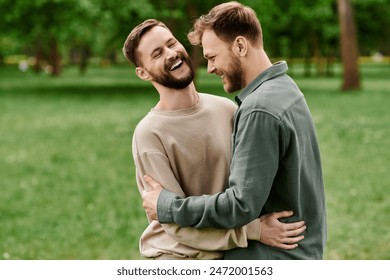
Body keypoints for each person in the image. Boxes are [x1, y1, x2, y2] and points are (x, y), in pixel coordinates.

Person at [142, 2, 327, 260]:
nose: (209, 69)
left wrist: (167, 206)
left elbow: (240, 206)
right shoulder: (285, 88)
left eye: (212, 57)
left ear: (240, 46)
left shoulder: (259, 109)